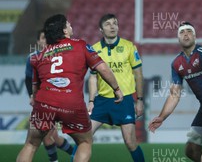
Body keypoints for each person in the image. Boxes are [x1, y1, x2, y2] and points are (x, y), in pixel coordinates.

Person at [17, 14, 123, 162]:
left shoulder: (39, 56)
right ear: (64, 31)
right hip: (71, 104)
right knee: (85, 141)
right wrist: (117, 89)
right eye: (69, 24)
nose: (71, 26)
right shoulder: (80, 45)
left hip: (44, 104)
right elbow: (103, 69)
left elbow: (35, 91)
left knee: (31, 143)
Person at [148, 22, 202, 162]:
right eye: (182, 32)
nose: (185, 34)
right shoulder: (176, 63)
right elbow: (175, 95)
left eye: (189, 31)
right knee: (191, 149)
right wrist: (162, 117)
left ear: (194, 36)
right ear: (178, 39)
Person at [88, 14, 145, 162]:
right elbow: (93, 76)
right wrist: (91, 100)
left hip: (125, 100)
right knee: (84, 137)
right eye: (108, 24)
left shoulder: (129, 46)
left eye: (115, 23)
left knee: (130, 142)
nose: (112, 26)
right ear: (101, 29)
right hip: (102, 101)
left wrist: (139, 100)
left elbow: (138, 74)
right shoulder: (93, 49)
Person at [25, 29, 76, 162]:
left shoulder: (58, 56)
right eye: (42, 38)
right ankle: (74, 154)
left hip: (58, 101)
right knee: (52, 136)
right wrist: (31, 95)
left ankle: (71, 155)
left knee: (49, 137)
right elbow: (28, 79)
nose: (45, 40)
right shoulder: (32, 57)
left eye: (47, 38)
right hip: (42, 102)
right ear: (38, 41)